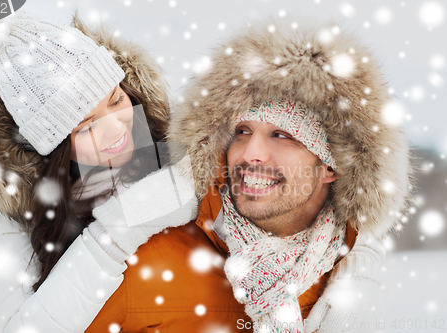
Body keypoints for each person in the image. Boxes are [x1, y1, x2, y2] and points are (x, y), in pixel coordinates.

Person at [0, 11, 241, 333]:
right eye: (86, 127)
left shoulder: (175, 143)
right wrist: (119, 227)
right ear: (54, 149)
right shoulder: (8, 207)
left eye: (116, 101)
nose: (116, 129)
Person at [167, 17, 411, 332]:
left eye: (282, 135)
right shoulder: (161, 256)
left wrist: (362, 259)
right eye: (242, 131)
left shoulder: (351, 277)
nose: (251, 151)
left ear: (331, 166)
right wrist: (104, 249)